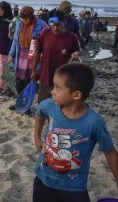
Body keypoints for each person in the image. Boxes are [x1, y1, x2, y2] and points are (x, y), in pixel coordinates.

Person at [33, 63, 118, 202]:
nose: (52, 91)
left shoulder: (94, 122)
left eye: (58, 88)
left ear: (76, 95)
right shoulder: (50, 105)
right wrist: (37, 137)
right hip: (44, 179)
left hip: (74, 187)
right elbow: (40, 112)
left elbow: (110, 152)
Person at [32, 11, 80, 103]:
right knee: (43, 105)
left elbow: (76, 53)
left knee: (59, 105)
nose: (55, 28)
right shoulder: (45, 34)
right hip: (45, 78)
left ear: (64, 22)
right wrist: (33, 70)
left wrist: (76, 55)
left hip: (63, 79)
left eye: (58, 25)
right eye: (52, 25)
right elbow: (37, 52)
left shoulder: (71, 37)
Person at [8, 6, 48, 109]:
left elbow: (47, 41)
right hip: (20, 54)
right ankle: (18, 102)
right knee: (19, 81)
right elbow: (15, 41)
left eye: (26, 18)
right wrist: (11, 55)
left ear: (32, 16)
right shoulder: (20, 24)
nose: (24, 21)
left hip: (33, 57)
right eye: (22, 18)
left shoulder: (42, 25)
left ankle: (26, 106)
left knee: (30, 81)